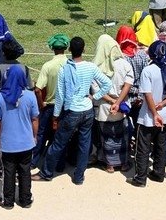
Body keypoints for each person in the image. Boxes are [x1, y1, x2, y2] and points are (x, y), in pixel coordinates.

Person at [32, 36, 113, 185]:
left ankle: (46, 173)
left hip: (72, 112)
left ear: (70, 50)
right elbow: (107, 84)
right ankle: (79, 177)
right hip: (87, 111)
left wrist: (55, 116)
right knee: (84, 144)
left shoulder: (66, 69)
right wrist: (94, 97)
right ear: (84, 50)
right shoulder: (90, 67)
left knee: (58, 144)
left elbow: (61, 97)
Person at [128, 40, 166, 187]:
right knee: (160, 147)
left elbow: (147, 94)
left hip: (147, 117)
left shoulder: (148, 71)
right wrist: (163, 104)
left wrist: (154, 112)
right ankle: (158, 173)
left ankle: (140, 178)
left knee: (143, 148)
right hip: (165, 115)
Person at [0, 65, 39, 209]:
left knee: (9, 172)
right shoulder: (30, 96)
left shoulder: (0, 97)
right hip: (26, 142)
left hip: (8, 143)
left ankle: (8, 201)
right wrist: (34, 136)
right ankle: (25, 200)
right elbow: (35, 119)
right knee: (25, 171)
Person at [0, 39, 32, 177]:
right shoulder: (24, 68)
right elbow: (29, 89)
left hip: (3, 107)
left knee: (2, 137)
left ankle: (1, 166)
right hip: (22, 107)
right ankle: (21, 168)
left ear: (3, 52)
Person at [93, 34, 134, 173]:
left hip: (104, 108)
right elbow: (128, 84)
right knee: (122, 136)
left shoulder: (96, 67)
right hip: (121, 108)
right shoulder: (125, 64)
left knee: (106, 137)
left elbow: (97, 91)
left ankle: (109, 164)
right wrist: (118, 102)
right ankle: (123, 163)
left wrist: (112, 101)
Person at [32, 33, 69, 169]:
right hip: (65, 107)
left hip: (49, 107)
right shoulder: (69, 64)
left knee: (41, 135)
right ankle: (59, 164)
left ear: (53, 48)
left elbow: (37, 89)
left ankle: (33, 162)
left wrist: (41, 104)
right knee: (60, 137)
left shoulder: (48, 66)